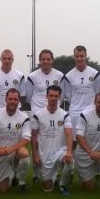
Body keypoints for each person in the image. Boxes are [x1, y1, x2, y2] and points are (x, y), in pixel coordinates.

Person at [26, 49, 65, 184]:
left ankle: (58, 171)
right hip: (38, 114)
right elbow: (29, 96)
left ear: (52, 60)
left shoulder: (59, 75)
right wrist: (39, 110)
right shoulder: (32, 76)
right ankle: (36, 173)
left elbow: (62, 94)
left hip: (54, 113)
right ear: (40, 60)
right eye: (43, 59)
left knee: (55, 140)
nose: (46, 62)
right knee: (37, 142)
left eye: (48, 59)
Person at [31, 85, 74, 195]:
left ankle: (62, 184)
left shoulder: (65, 115)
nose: (53, 98)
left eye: (56, 96)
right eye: (51, 95)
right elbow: (33, 136)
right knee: (47, 189)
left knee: (70, 161)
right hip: (44, 153)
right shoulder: (38, 115)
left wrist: (69, 152)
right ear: (46, 96)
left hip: (60, 151)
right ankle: (54, 177)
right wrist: (35, 155)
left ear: (59, 97)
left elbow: (69, 134)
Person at [0, 88, 31, 193]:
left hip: (14, 152)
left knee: (24, 153)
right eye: (10, 99)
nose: (12, 101)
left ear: (18, 101)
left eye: (15, 99)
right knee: (3, 190)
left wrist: (11, 150)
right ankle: (9, 176)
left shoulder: (24, 117)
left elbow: (26, 139)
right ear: (5, 100)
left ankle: (21, 181)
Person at [64, 45, 100, 146]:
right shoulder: (68, 76)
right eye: (77, 56)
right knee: (74, 141)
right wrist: (76, 104)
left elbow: (98, 93)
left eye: (81, 56)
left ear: (86, 56)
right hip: (75, 112)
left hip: (91, 111)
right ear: (74, 57)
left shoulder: (94, 74)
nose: (79, 59)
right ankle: (72, 161)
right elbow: (68, 96)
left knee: (91, 140)